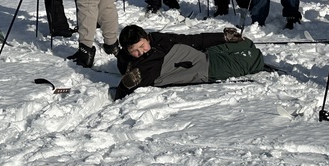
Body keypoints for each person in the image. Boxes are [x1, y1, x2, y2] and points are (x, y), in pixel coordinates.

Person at [110, 24, 268, 101]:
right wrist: (125, 85)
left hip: (204, 53)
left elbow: (190, 40)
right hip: (209, 69)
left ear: (147, 37)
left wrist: (222, 37)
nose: (141, 52)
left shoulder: (157, 39)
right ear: (127, 51)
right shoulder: (142, 68)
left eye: (142, 46)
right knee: (255, 58)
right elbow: (121, 94)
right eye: (135, 51)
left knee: (244, 42)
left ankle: (231, 44)